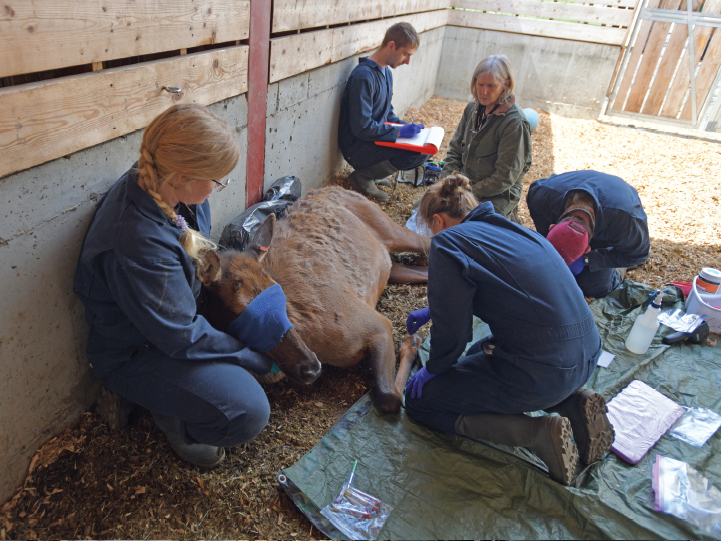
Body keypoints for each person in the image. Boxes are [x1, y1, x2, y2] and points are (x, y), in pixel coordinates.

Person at [73, 104, 279, 469]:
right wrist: (252, 356)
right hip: (136, 350)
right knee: (247, 410)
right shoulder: (137, 240)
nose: (219, 188)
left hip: (174, 317)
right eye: (217, 180)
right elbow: (181, 336)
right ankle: (177, 422)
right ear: (183, 175)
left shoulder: (165, 187)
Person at [403, 174, 614, 486]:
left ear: (437, 220)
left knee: (422, 401)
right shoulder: (514, 230)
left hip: (545, 371)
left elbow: (455, 335)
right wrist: (436, 306)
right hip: (586, 356)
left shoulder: (447, 242)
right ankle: (571, 403)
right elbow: (502, 283)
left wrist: (433, 367)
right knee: (478, 354)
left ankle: (536, 434)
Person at [338, 22, 430, 201]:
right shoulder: (363, 77)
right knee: (416, 153)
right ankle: (362, 176)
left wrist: (410, 128)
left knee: (424, 148)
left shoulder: (386, 73)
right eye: (405, 54)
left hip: (371, 139)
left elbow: (387, 114)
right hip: (357, 147)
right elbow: (362, 128)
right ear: (391, 46)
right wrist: (400, 132)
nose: (408, 61)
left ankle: (372, 173)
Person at [526, 170, 650, 298]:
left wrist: (589, 259)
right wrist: (545, 236)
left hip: (612, 214)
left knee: (595, 287)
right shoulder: (543, 195)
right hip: (576, 195)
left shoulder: (626, 222)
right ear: (552, 227)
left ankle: (619, 271)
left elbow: (640, 255)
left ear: (588, 249)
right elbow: (532, 196)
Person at [440, 55, 532, 220]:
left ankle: (510, 218)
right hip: (465, 183)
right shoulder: (472, 108)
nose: (484, 91)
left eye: (491, 86)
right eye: (480, 84)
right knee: (427, 209)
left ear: (506, 84)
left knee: (471, 226)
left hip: (497, 194)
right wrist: (445, 181)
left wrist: (467, 192)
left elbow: (504, 177)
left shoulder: (514, 123)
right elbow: (454, 149)